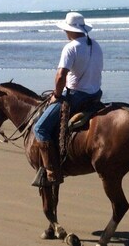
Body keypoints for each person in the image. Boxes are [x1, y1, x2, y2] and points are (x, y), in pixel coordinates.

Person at [31, 12, 103, 186]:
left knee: (40, 127)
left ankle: (51, 172)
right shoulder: (95, 45)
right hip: (96, 94)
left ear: (69, 30)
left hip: (77, 96)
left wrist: (56, 95)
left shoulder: (71, 48)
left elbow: (60, 76)